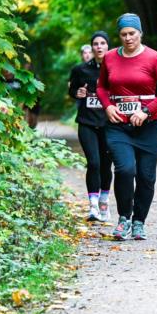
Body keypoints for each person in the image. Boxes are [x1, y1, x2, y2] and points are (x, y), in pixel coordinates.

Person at [97, 13, 157, 241]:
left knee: (145, 176)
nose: (128, 38)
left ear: (140, 33)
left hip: (149, 127)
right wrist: (107, 106)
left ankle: (139, 222)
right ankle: (124, 219)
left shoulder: (154, 58)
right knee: (124, 169)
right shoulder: (111, 58)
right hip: (118, 125)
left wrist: (146, 111)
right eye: (123, 34)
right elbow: (102, 87)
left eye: (132, 33)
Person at [68, 32, 113, 221]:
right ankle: (93, 207)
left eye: (103, 43)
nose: (99, 47)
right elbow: (71, 90)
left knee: (105, 165)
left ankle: (104, 201)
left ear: (108, 46)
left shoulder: (115, 68)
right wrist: (77, 92)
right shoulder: (80, 70)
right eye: (96, 44)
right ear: (91, 47)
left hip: (109, 124)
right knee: (93, 163)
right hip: (87, 122)